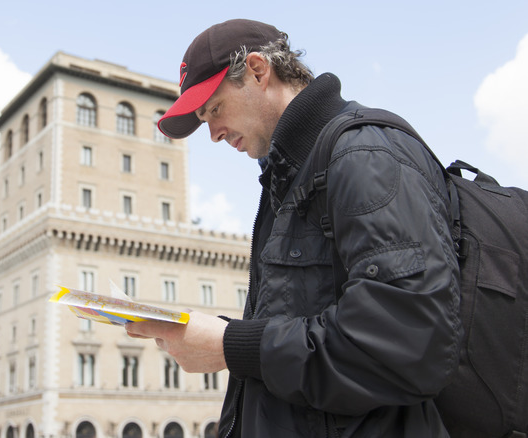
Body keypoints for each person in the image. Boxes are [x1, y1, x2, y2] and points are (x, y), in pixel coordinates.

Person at [125, 19, 463, 437]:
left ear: (257, 70)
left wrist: (231, 345)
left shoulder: (364, 156)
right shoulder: (290, 180)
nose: (212, 134)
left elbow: (410, 345)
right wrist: (225, 335)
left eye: (214, 110)